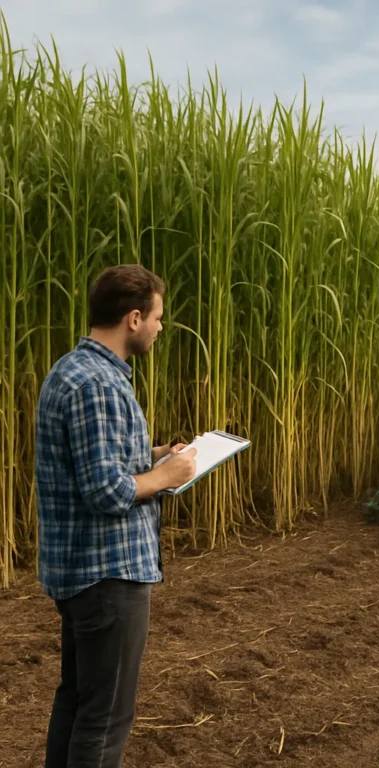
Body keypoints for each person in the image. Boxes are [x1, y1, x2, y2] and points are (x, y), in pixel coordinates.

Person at [34, 263, 197, 767]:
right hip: (108, 574)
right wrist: (167, 478)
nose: (160, 327)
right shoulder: (99, 385)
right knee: (104, 720)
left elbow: (95, 460)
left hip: (82, 574)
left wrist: (154, 455)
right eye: (157, 318)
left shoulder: (73, 370)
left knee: (79, 700)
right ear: (132, 318)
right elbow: (105, 491)